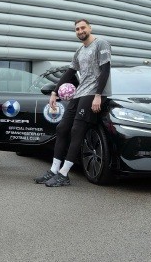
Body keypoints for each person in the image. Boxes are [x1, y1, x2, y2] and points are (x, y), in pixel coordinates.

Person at [35, 19, 112, 187]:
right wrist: (54, 92)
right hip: (80, 93)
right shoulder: (79, 51)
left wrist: (98, 95)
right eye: (77, 29)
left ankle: (64, 174)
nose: (80, 31)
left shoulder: (101, 44)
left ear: (90, 28)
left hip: (93, 93)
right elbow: (69, 72)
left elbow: (106, 70)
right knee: (62, 128)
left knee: (77, 130)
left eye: (83, 27)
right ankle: (54, 170)